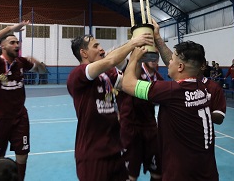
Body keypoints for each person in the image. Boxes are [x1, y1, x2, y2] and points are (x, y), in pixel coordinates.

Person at [122, 41, 218, 181]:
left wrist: (134, 58)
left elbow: (127, 84)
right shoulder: (201, 87)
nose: (168, 62)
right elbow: (182, 67)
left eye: (171, 60)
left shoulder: (171, 91)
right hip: (206, 171)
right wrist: (158, 40)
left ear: (180, 66)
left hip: (181, 174)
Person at [67, 33, 153, 181]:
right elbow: (111, 60)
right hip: (93, 156)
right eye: (95, 46)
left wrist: (136, 59)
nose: (101, 49)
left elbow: (129, 81)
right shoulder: (78, 74)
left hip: (115, 152)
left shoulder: (107, 75)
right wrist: (133, 42)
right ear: (84, 53)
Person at [0, 20, 46, 181]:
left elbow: (43, 71)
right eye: (12, 42)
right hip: (0, 117)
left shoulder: (21, 62)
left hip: (20, 116)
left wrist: (37, 63)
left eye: (17, 42)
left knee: (22, 154)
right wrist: (10, 29)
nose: (17, 44)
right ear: (3, 46)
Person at [118, 57, 163, 181]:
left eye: (156, 55)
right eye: (150, 54)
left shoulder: (159, 79)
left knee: (158, 173)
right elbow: (117, 60)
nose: (153, 58)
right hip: (130, 128)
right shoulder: (130, 70)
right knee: (130, 176)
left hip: (150, 128)